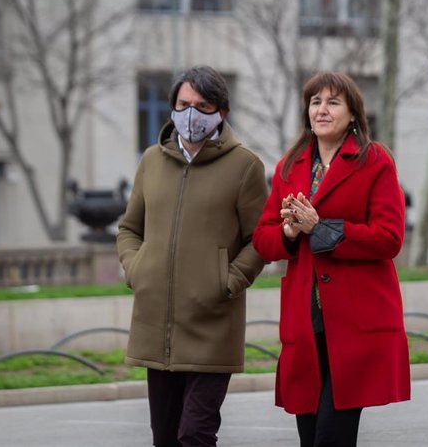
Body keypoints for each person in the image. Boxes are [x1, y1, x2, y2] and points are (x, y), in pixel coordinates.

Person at [252, 71, 411, 447]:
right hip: (305, 321)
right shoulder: (289, 167)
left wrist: (321, 227)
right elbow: (263, 239)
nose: (322, 110)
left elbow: (390, 238)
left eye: (333, 102)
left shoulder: (375, 161)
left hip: (355, 320)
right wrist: (289, 233)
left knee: (329, 438)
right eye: (315, 102)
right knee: (310, 436)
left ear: (353, 113)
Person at [117, 65, 268, 447]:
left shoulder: (245, 166)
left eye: (202, 106)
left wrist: (227, 282)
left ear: (221, 112)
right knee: (165, 438)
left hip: (212, 325)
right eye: (183, 104)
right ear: (172, 107)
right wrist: (139, 270)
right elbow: (129, 228)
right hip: (157, 325)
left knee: (195, 434)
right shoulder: (152, 160)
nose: (191, 114)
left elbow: (261, 240)